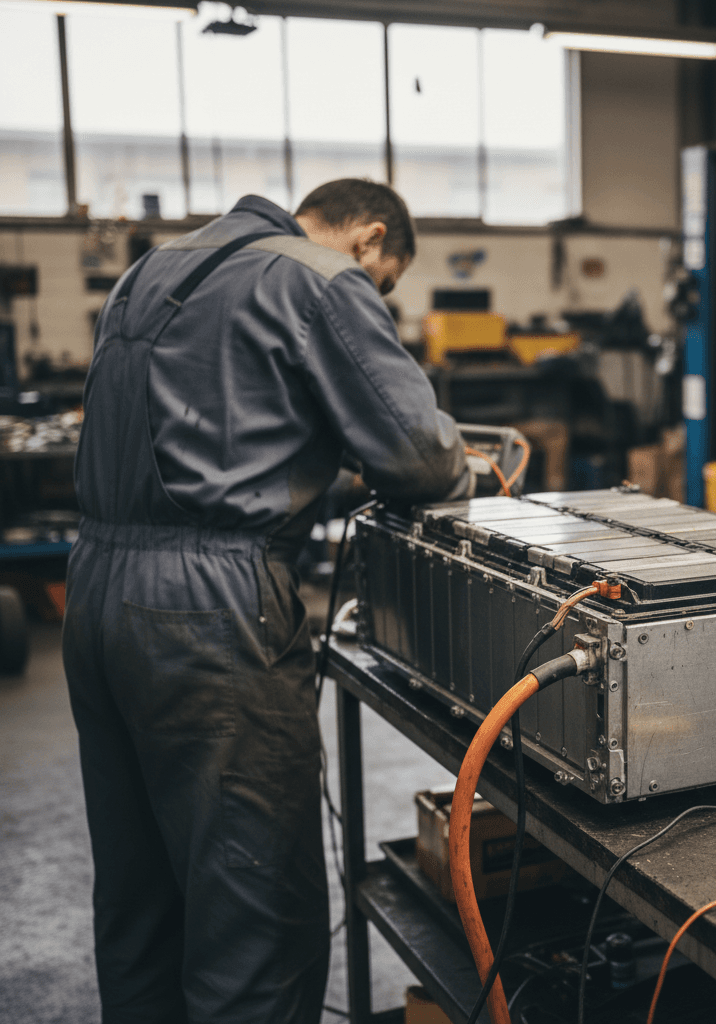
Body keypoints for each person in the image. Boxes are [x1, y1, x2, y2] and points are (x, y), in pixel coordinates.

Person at [62, 179, 470, 1024]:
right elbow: (420, 461)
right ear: (368, 238)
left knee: (143, 902)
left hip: (96, 592)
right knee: (254, 914)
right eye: (386, 280)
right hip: (209, 612)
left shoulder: (154, 267)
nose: (376, 292)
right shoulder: (319, 278)